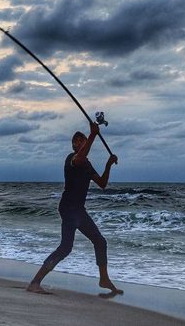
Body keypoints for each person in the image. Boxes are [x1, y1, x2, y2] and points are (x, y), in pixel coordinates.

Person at [27, 121, 121, 295]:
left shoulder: (87, 164)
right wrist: (92, 134)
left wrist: (108, 165)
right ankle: (35, 282)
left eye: (81, 139)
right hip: (68, 208)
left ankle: (104, 279)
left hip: (79, 210)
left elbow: (102, 183)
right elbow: (79, 157)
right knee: (65, 248)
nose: (78, 142)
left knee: (100, 241)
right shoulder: (72, 159)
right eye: (76, 141)